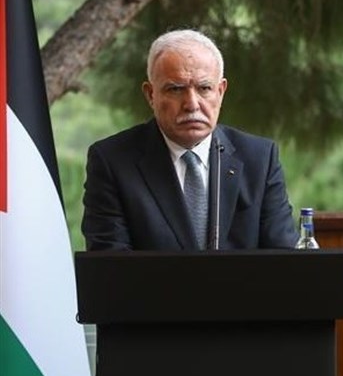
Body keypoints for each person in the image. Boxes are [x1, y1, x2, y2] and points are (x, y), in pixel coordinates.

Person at [81, 29, 299, 250]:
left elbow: (284, 256)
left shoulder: (259, 158)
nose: (192, 104)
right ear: (151, 95)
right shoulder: (113, 161)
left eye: (204, 88)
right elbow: (110, 261)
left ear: (221, 91)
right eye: (176, 89)